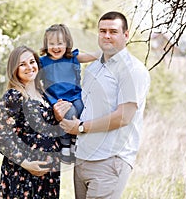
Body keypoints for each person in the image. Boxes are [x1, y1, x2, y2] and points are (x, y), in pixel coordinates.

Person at [55, 11, 151, 198]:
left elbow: (123, 117)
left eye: (113, 31)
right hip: (83, 158)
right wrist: (64, 112)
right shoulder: (93, 68)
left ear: (125, 35)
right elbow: (86, 107)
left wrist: (80, 128)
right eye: (102, 31)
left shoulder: (132, 70)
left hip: (109, 160)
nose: (106, 35)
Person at [0, 45, 71, 199]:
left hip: (48, 174)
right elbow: (4, 137)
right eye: (22, 64)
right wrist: (26, 163)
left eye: (32, 62)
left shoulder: (43, 95)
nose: (29, 67)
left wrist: (57, 118)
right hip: (23, 173)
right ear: (14, 69)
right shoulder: (15, 96)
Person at [39, 24, 99, 164]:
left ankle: (74, 140)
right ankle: (65, 144)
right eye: (51, 43)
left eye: (60, 43)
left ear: (67, 43)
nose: (56, 47)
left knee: (81, 108)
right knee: (69, 111)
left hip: (75, 95)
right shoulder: (43, 62)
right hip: (56, 98)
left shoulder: (72, 57)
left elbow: (91, 56)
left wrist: (105, 52)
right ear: (46, 45)